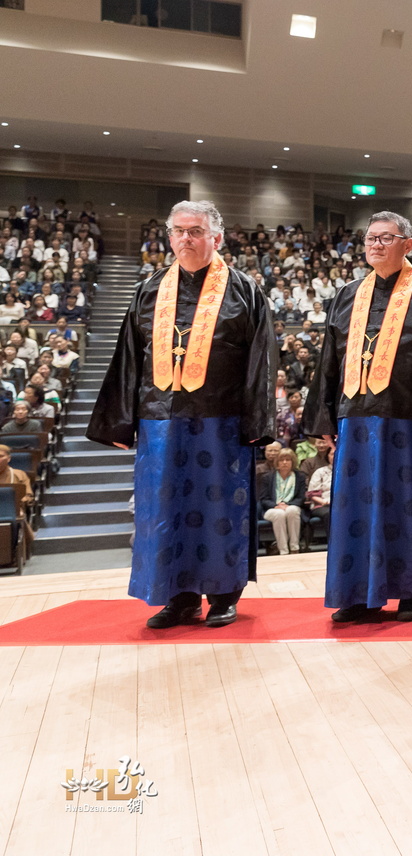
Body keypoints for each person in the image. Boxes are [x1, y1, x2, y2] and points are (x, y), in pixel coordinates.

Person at [86, 200, 276, 629]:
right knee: (164, 511)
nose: (186, 239)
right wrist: (122, 420)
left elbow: (261, 363)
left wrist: (256, 424)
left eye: (196, 231)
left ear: (217, 237)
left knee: (220, 510)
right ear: (169, 237)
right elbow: (129, 359)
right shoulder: (149, 290)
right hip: (161, 422)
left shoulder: (244, 291)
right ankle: (179, 597)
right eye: (179, 231)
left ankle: (224, 595)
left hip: (221, 421)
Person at [307, 211, 412, 624]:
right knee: (353, 509)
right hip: (355, 420)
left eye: (386, 238)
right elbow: (329, 360)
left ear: (407, 245)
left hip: (407, 418)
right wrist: (325, 419)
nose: (375, 245)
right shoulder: (346, 295)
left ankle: (409, 590)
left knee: (407, 506)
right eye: (370, 238)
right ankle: (355, 593)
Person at [257, 449, 308, 555]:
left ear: (293, 462)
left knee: (292, 510)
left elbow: (301, 497)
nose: (284, 462)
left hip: (292, 506)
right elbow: (264, 499)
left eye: (288, 460)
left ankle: (294, 548)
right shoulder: (268, 477)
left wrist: (288, 505)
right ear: (277, 462)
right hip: (272, 509)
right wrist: (276, 505)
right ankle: (283, 550)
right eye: (281, 460)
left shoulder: (300, 477)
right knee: (279, 514)